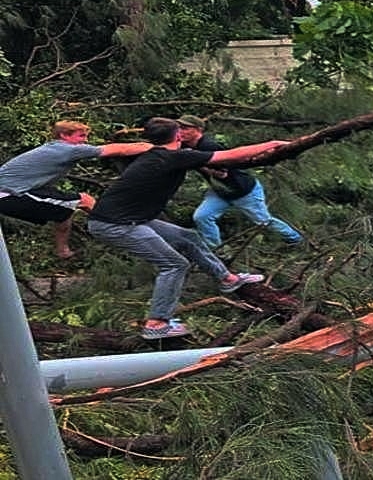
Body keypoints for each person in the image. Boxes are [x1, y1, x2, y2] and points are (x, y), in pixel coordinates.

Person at [87, 117, 291, 339]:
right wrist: (273, 144)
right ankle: (157, 323)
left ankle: (227, 279)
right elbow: (231, 155)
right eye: (180, 130)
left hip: (129, 218)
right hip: (116, 224)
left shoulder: (155, 154)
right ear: (176, 136)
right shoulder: (173, 157)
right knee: (174, 265)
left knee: (188, 237)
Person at [0, 120, 152, 259]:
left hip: (15, 192)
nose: (85, 140)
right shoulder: (67, 150)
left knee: (65, 212)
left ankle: (63, 252)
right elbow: (118, 150)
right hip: (9, 195)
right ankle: (131, 231)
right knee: (84, 200)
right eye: (81, 136)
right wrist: (152, 147)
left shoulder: (53, 148)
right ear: (64, 135)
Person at [176, 115, 303, 248]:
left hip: (243, 191)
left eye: (185, 128)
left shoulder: (208, 146)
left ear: (198, 130)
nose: (180, 131)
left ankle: (295, 239)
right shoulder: (183, 146)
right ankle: (217, 251)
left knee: (263, 221)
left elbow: (221, 174)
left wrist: (194, 160)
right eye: (179, 128)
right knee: (202, 217)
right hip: (220, 191)